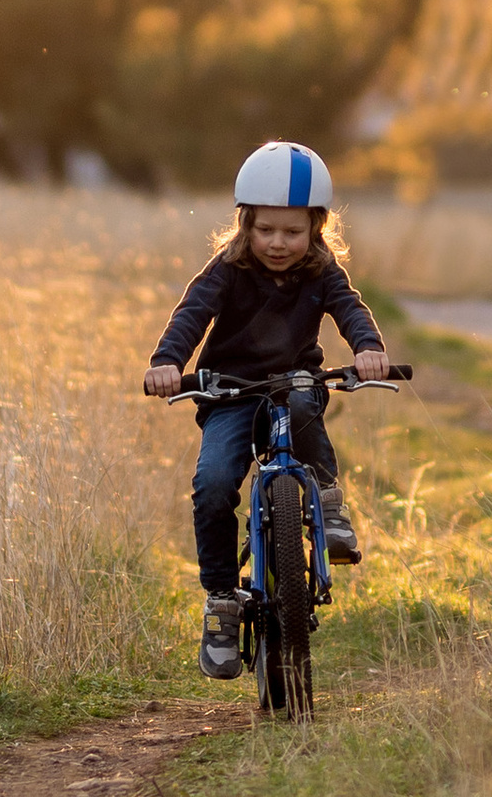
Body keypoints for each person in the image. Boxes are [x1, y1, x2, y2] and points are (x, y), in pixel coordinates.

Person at [144, 141, 390, 681]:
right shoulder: (226, 271)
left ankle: (326, 503)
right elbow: (191, 315)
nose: (279, 243)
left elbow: (350, 310)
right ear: (245, 225)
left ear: (317, 229)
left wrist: (368, 349)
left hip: (292, 384)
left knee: (304, 401)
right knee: (212, 484)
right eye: (266, 230)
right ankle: (222, 602)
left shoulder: (322, 273)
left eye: (293, 231)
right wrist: (167, 361)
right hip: (230, 392)